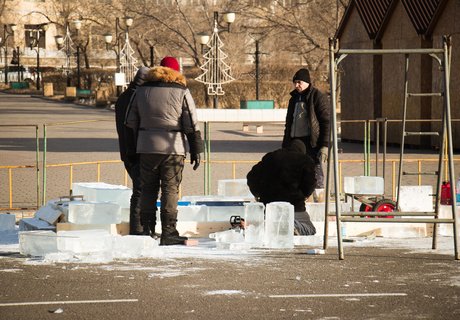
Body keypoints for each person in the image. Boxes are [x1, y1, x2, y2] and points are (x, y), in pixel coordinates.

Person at [125, 56, 204, 245]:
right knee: (170, 189)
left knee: (148, 189)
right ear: (177, 73)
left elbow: (130, 122)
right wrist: (196, 150)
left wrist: (132, 150)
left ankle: (147, 230)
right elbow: (191, 123)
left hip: (146, 147)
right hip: (172, 147)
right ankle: (169, 232)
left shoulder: (141, 91)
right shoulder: (182, 91)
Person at [246, 140, 317, 235]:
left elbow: (251, 176)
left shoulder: (270, 157)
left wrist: (257, 193)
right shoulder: (305, 160)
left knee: (269, 224)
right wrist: (304, 195)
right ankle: (293, 227)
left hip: (269, 206)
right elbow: (310, 183)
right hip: (295, 207)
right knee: (310, 229)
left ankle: (271, 226)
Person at [115, 66, 149, 235]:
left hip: (126, 150)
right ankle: (137, 229)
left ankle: (140, 228)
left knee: (140, 188)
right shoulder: (137, 98)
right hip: (136, 150)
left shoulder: (124, 96)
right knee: (141, 190)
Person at [282, 68, 330, 189]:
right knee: (296, 170)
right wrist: (285, 143)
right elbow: (289, 123)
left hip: (311, 142)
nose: (297, 85)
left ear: (307, 82)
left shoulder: (317, 96)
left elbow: (326, 122)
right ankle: (301, 198)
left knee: (315, 170)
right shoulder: (293, 99)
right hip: (295, 142)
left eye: (299, 82)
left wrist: (324, 145)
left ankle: (319, 197)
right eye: (295, 82)